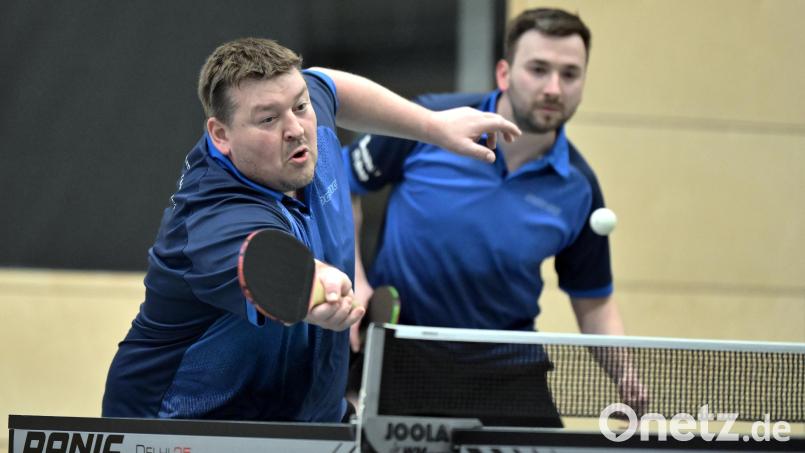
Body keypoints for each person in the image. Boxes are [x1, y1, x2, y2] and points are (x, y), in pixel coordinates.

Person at [102, 37, 520, 422]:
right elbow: (270, 268)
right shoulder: (209, 219)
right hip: (183, 429)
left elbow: (330, 86)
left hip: (304, 423)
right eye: (267, 119)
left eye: (299, 107)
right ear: (221, 134)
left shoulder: (304, 114)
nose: (295, 128)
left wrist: (432, 128)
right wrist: (324, 287)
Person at [345, 8, 644, 422]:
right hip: (404, 352)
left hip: (506, 365)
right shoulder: (429, 124)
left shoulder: (579, 186)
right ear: (504, 73)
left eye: (570, 74)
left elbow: (593, 300)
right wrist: (355, 279)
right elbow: (342, 187)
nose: (553, 88)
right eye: (538, 69)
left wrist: (625, 376)